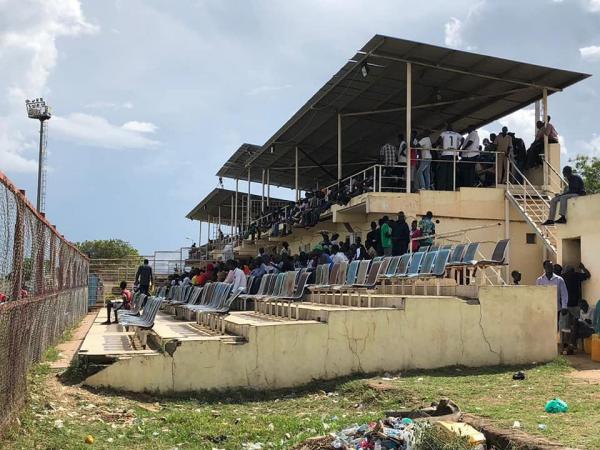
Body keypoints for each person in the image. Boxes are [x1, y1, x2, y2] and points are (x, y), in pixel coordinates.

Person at [536, 260, 569, 350]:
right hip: (543, 308)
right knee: (544, 326)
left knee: (555, 327)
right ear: (544, 267)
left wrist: (564, 306)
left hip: (556, 308)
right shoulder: (540, 280)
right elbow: (537, 294)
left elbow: (564, 293)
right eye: (548, 266)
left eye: (551, 266)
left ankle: (552, 346)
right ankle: (544, 346)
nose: (550, 268)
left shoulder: (559, 280)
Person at [562, 263, 591, 351]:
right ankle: (576, 346)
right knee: (576, 325)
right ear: (573, 270)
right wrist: (583, 267)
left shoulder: (562, 277)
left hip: (566, 305)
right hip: (576, 305)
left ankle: (566, 346)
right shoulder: (576, 275)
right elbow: (588, 275)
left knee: (566, 327)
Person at [436, 125, 463, 190]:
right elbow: (463, 139)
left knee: (443, 171)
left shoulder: (444, 133)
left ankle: (442, 187)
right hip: (454, 155)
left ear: (447, 129)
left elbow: (439, 140)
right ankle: (450, 187)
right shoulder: (457, 134)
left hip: (445, 154)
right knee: (452, 172)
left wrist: (441, 147)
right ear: (452, 129)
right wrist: (459, 147)